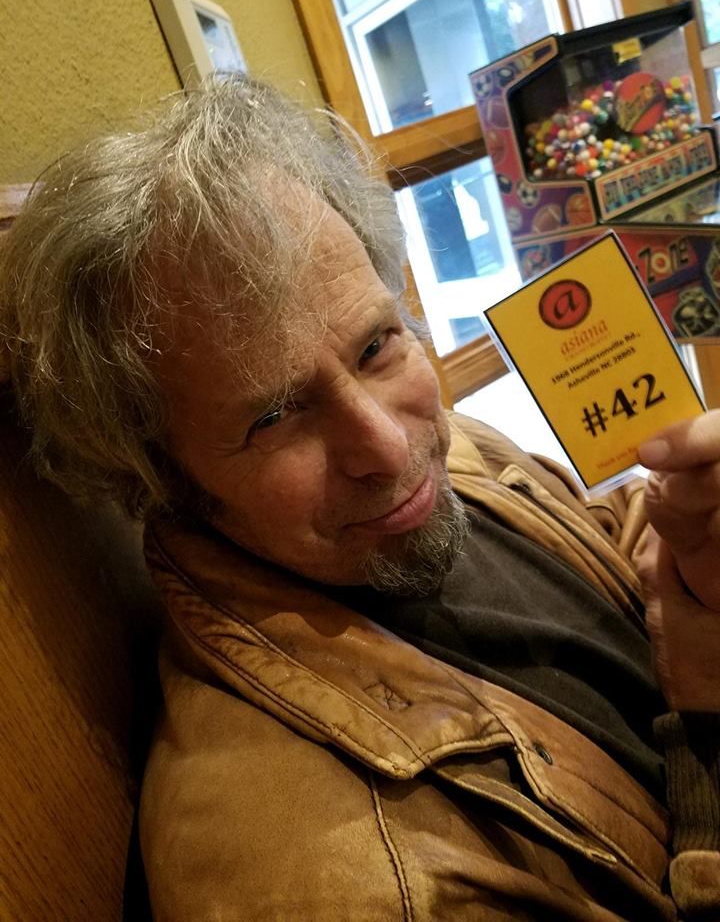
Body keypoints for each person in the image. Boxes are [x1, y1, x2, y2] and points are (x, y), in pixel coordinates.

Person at [1, 75, 719, 921]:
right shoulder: (339, 884)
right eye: (275, 416)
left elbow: (599, 535)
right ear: (157, 474)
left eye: (376, 345)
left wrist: (692, 541)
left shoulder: (441, 449)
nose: (387, 446)